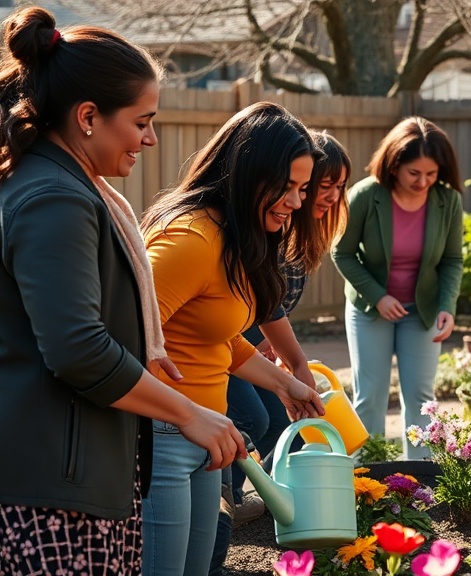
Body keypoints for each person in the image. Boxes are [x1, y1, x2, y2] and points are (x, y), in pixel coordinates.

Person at [0, 7, 243, 573]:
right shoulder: (55, 199)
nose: (151, 138)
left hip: (68, 481)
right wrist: (187, 413)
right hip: (51, 497)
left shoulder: (63, 187)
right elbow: (78, 349)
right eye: (142, 121)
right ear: (88, 116)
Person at [140, 102, 325, 576]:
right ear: (246, 174)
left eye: (303, 189)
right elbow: (123, 336)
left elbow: (218, 339)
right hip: (162, 436)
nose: (297, 202)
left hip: (205, 434)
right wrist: (185, 415)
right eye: (285, 188)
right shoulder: (192, 240)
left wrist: (284, 384)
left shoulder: (233, 237)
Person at [208, 131, 351, 573]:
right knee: (254, 422)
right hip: (226, 346)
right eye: (317, 186)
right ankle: (231, 498)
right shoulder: (227, 232)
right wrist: (289, 360)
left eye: (335, 187)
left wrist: (293, 363)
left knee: (272, 427)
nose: (326, 196)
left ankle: (257, 502)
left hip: (247, 343)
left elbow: (269, 303)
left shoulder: (295, 231)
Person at [332, 116, 463, 460]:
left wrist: (447, 306)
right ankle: (367, 482)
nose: (423, 183)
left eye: (431, 174)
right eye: (414, 174)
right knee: (370, 396)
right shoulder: (364, 196)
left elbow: (452, 260)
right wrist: (379, 296)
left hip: (422, 312)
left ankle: (418, 484)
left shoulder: (448, 202)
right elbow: (342, 253)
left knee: (422, 398)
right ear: (393, 166)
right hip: (369, 310)